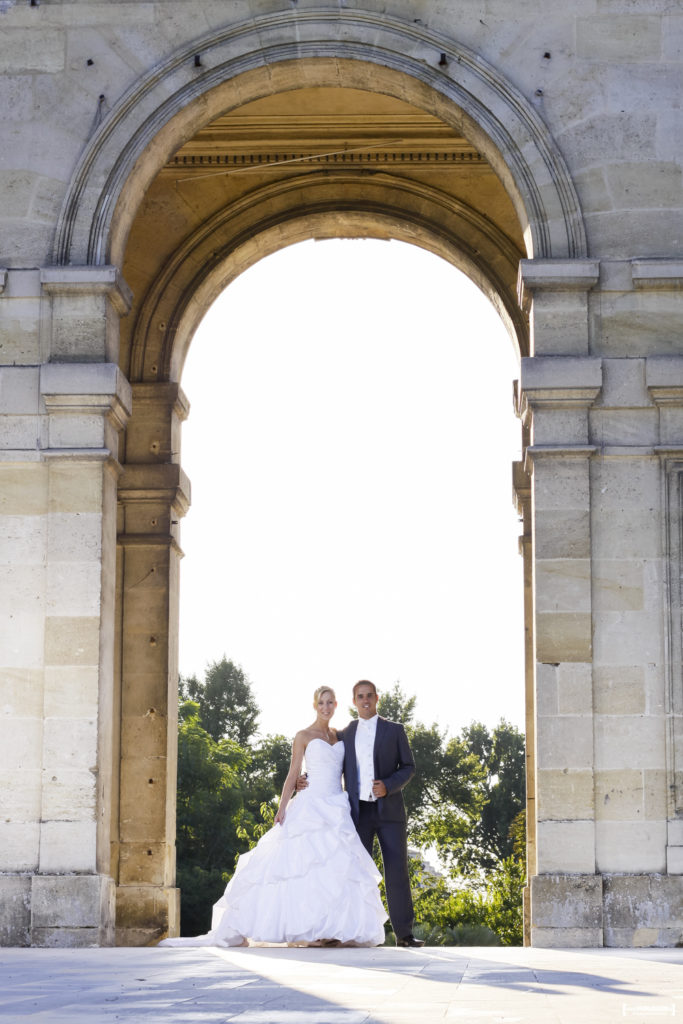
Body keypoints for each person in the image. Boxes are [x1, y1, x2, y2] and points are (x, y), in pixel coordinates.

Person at [159, 686, 386, 948]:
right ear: (315, 705)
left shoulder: (341, 736)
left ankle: (331, 930)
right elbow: (293, 773)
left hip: (337, 807)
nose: (326, 707)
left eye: (330, 702)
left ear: (336, 705)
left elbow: (352, 770)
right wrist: (283, 807)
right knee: (302, 867)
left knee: (336, 869)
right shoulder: (303, 736)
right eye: (321, 702)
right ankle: (308, 931)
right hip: (311, 806)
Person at [297, 679, 424, 948]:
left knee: (396, 872)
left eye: (369, 696)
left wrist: (388, 785)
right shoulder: (346, 733)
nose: (365, 701)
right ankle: (343, 929)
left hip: (389, 813)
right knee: (351, 872)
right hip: (356, 814)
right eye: (359, 697)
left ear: (377, 698)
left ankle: (404, 934)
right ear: (353, 702)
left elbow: (409, 766)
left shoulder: (395, 730)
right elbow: (329, 760)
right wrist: (306, 778)